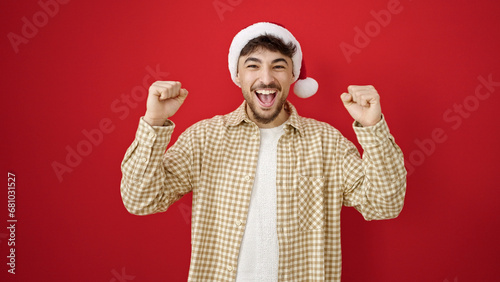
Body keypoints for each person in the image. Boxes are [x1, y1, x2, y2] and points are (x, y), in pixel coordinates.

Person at [120, 22, 407, 281]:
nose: (266, 78)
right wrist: (154, 122)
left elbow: (384, 205)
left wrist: (373, 128)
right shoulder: (204, 138)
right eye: (253, 65)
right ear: (238, 75)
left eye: (278, 66)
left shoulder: (327, 143)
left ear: (293, 74)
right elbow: (140, 200)